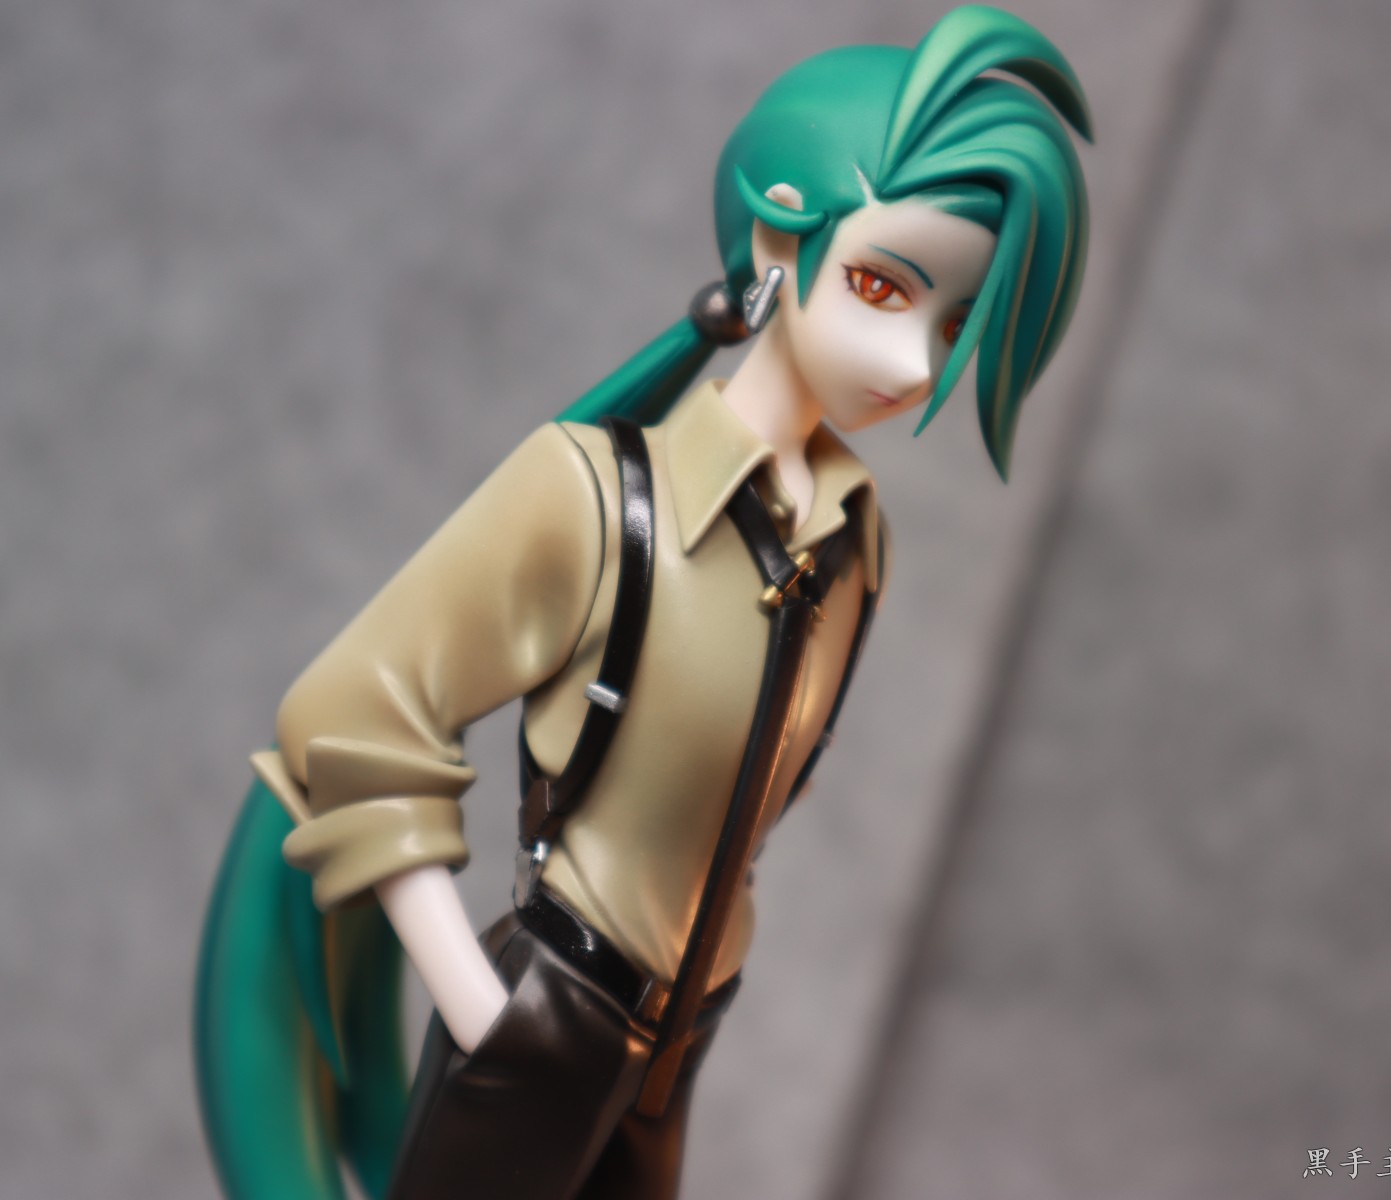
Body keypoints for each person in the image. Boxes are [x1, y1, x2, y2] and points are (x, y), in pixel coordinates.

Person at [194, 7, 1091, 1199]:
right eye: (884, 285)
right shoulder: (599, 499)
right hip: (557, 1012)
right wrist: (484, 1008)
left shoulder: (853, 540)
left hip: (684, 1031)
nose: (916, 362)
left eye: (957, 322)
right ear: (778, 238)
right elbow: (355, 708)